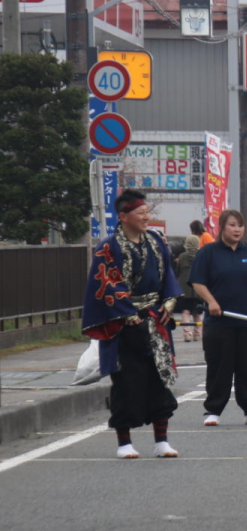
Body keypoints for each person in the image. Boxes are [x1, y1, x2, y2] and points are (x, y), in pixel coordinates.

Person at [82, 189, 183, 459]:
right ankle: (124, 442)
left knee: (159, 380)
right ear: (124, 216)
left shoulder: (156, 242)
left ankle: (161, 440)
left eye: (148, 212)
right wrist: (128, 314)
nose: (147, 217)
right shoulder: (108, 247)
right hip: (122, 325)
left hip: (154, 320)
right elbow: (105, 285)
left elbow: (169, 278)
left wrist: (170, 302)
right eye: (141, 213)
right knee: (126, 383)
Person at [189, 209, 247, 427]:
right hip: (219, 324)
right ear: (221, 228)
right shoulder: (208, 252)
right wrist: (212, 301)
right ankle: (213, 410)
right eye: (232, 225)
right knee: (219, 368)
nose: (237, 230)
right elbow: (197, 282)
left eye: (240, 225)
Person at [174, 234, 203, 342]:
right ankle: (197, 334)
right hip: (198, 289)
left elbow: (177, 272)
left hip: (184, 289)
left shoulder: (181, 257)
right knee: (197, 312)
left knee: (185, 312)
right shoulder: (201, 256)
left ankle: (187, 334)